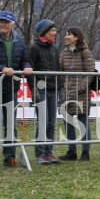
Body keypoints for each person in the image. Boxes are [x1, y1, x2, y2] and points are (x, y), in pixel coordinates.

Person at [0, 10, 32, 170]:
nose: (3, 24)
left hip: (11, 88)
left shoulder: (19, 41)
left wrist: (27, 67)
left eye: (6, 22)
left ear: (12, 24)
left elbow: (25, 59)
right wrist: (1, 68)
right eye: (1, 21)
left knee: (10, 124)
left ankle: (10, 156)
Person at [28, 19, 63, 165]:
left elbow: (58, 70)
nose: (55, 33)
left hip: (52, 89)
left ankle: (49, 152)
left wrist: (60, 87)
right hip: (40, 89)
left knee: (51, 122)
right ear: (44, 32)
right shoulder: (34, 48)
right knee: (42, 121)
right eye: (52, 30)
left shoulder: (54, 49)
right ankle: (40, 153)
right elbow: (30, 70)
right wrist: (33, 90)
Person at [59, 27, 95, 161]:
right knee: (67, 121)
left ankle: (85, 152)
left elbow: (90, 72)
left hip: (81, 94)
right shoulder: (64, 52)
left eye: (69, 35)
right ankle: (71, 150)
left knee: (82, 122)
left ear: (76, 37)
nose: (66, 37)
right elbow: (61, 71)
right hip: (67, 93)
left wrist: (80, 88)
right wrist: (65, 87)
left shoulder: (85, 53)